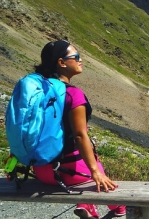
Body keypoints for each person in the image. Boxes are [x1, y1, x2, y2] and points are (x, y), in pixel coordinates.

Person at [31, 40, 126, 219]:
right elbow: (80, 135)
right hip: (69, 173)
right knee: (98, 172)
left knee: (90, 172)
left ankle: (87, 206)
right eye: (76, 57)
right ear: (62, 62)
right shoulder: (73, 94)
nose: (81, 60)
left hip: (42, 171)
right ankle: (118, 207)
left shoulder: (37, 91)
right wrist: (95, 171)